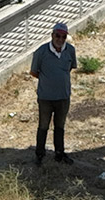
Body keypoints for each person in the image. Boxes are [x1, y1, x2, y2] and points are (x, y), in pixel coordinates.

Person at [30, 22, 77, 165]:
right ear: (52, 35)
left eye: (63, 37)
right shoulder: (41, 52)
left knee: (60, 126)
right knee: (43, 125)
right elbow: (34, 72)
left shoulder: (70, 50)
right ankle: (39, 154)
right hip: (45, 97)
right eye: (58, 35)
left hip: (63, 97)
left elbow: (70, 68)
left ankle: (59, 154)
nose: (60, 39)